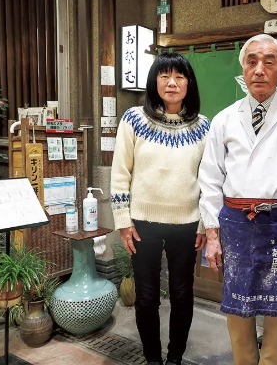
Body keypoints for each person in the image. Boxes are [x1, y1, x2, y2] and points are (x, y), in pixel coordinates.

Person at [198, 33, 277, 365]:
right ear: (242, 69)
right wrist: (212, 234)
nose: (259, 69)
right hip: (235, 225)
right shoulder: (224, 119)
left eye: (269, 62)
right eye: (252, 61)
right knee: (237, 305)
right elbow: (210, 179)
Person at [110, 52, 210, 365]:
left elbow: (209, 181)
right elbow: (119, 173)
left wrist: (206, 225)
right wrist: (124, 221)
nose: (172, 82)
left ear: (189, 84)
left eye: (179, 76)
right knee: (147, 297)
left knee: (182, 295)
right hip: (142, 224)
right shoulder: (133, 120)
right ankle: (153, 359)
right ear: (154, 81)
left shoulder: (204, 127)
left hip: (187, 224)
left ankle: (175, 358)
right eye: (164, 75)